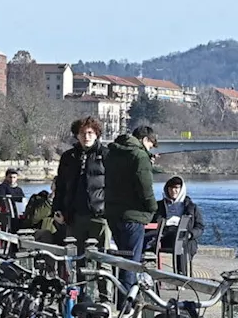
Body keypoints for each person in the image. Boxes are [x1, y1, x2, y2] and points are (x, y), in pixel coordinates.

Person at [104, 125, 158, 292]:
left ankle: (121, 298)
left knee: (122, 258)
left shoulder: (112, 153)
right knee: (132, 262)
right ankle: (127, 304)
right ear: (144, 140)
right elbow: (145, 187)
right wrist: (153, 208)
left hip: (113, 212)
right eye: (150, 145)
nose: (150, 149)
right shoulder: (139, 156)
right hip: (134, 215)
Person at [53, 117, 108, 253]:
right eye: (82, 133)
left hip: (99, 215)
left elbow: (115, 185)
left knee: (102, 257)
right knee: (76, 257)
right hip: (74, 216)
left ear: (96, 135)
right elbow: (60, 186)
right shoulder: (68, 157)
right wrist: (57, 208)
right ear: (77, 135)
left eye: (90, 133)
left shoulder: (106, 154)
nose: (86, 137)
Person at [149, 175, 204, 275]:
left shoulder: (191, 207)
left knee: (181, 241)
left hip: (185, 238)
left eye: (176, 188)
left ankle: (181, 275)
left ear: (181, 189)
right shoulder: (159, 206)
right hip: (163, 236)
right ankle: (149, 272)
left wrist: (191, 234)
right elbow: (152, 222)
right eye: (171, 188)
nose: (173, 191)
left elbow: (200, 226)